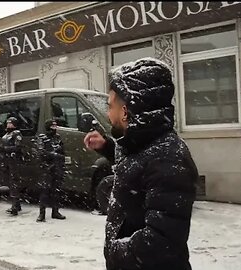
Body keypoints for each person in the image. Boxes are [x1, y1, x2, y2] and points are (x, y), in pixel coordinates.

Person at [84, 58, 198, 270]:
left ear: (126, 112)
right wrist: (106, 146)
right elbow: (135, 167)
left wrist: (116, 251)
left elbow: (162, 240)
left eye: (110, 107)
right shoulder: (145, 146)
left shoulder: (167, 158)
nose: (108, 115)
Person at [35, 119, 66, 222]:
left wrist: (60, 159)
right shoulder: (42, 138)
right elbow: (41, 152)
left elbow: (62, 151)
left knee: (56, 191)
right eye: (52, 126)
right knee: (44, 191)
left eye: (55, 126)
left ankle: (55, 211)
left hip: (57, 167)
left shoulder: (58, 138)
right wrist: (54, 155)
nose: (55, 128)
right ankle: (42, 214)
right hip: (46, 168)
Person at [1, 116, 23, 216]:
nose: (9, 125)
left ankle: (15, 206)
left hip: (14, 161)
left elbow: (18, 147)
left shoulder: (16, 133)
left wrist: (6, 149)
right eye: (8, 123)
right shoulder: (7, 134)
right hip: (7, 161)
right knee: (11, 183)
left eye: (11, 123)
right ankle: (16, 204)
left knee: (14, 183)